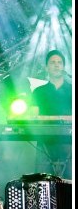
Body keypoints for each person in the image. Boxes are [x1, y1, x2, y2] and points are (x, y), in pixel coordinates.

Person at [31, 49, 72, 179]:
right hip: (45, 143)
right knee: (42, 183)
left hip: (70, 144)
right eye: (53, 62)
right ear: (47, 67)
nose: (56, 65)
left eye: (59, 62)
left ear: (64, 67)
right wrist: (59, 118)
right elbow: (33, 116)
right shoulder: (38, 91)